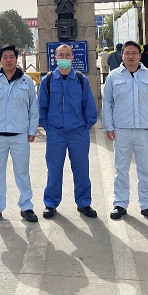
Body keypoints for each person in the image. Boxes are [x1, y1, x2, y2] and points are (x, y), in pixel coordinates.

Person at [102, 40, 148, 222]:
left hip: (144, 130)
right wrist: (109, 127)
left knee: (145, 170)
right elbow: (107, 104)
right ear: (122, 55)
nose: (130, 56)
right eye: (127, 53)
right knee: (121, 169)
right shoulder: (113, 77)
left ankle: (147, 205)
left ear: (140, 55)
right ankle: (120, 204)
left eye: (134, 53)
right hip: (121, 131)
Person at [37, 44, 98, 219]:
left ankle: (84, 203)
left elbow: (89, 106)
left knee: (81, 169)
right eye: (61, 55)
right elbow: (41, 107)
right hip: (55, 134)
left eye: (67, 55)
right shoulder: (48, 80)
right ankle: (51, 203)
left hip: (78, 133)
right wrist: (48, 127)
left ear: (72, 57)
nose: (64, 58)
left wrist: (86, 126)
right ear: (55, 58)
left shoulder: (81, 79)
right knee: (54, 170)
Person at [0, 44, 39, 224]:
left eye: (11, 57)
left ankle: (26, 206)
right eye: (4, 57)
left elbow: (33, 108)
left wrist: (32, 130)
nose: (8, 60)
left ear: (16, 59)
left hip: (20, 135)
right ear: (0, 60)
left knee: (22, 172)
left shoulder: (26, 81)